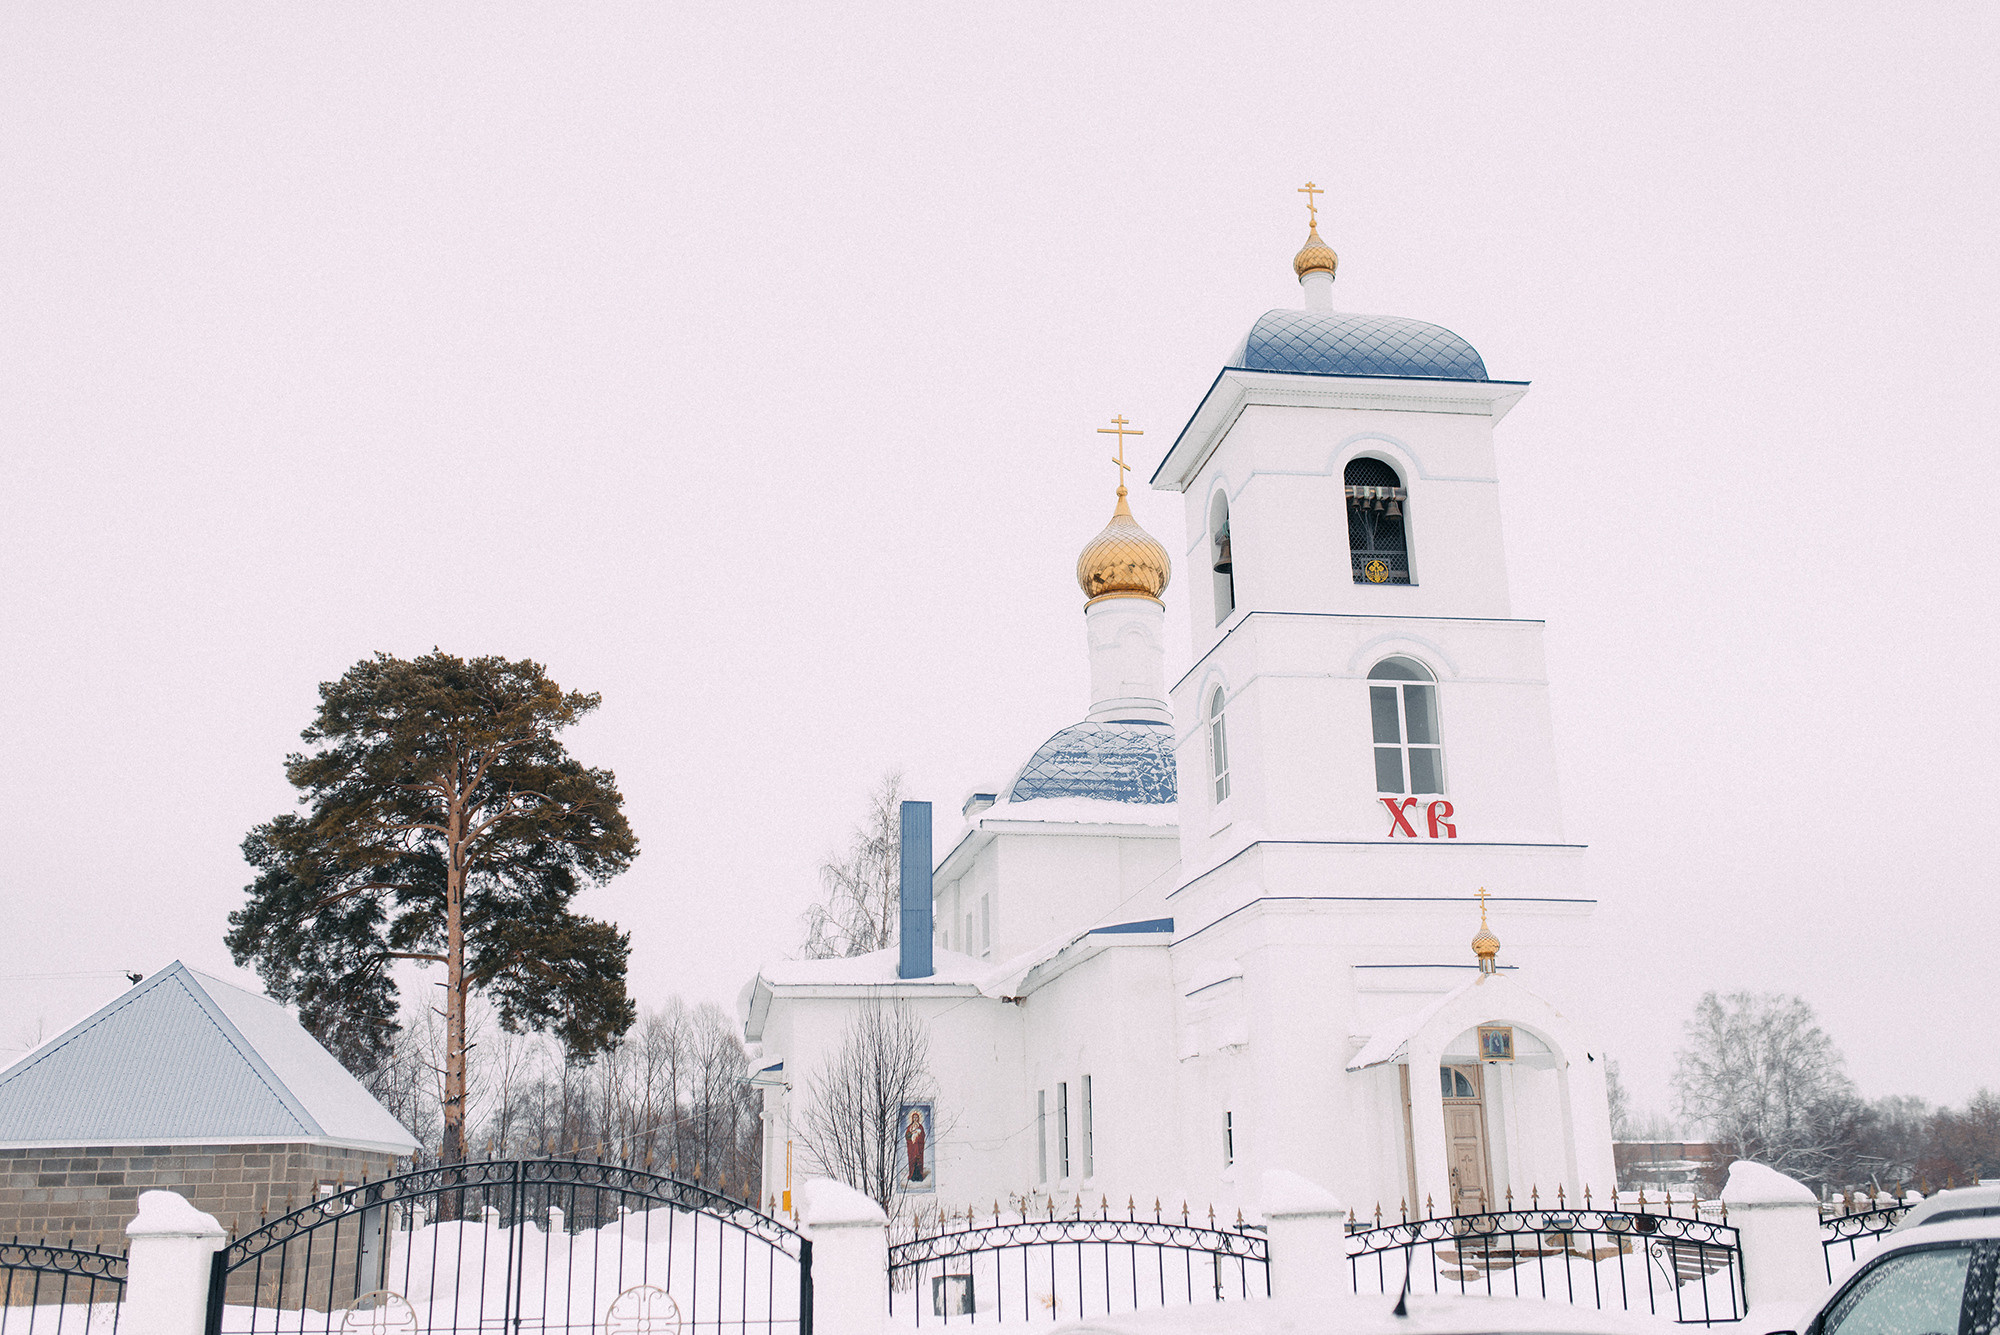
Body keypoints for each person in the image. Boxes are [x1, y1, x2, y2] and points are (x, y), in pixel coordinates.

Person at [904, 1108, 927, 1183]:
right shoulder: (910, 1127)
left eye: (916, 1117)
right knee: (912, 1160)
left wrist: (918, 1138)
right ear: (912, 1118)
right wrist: (911, 1136)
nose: (915, 1119)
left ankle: (919, 1176)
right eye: (914, 1117)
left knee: (918, 1160)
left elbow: (923, 1136)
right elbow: (907, 1136)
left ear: (918, 1118)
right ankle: (912, 1176)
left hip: (918, 1147)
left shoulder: (920, 1127)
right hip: (912, 1147)